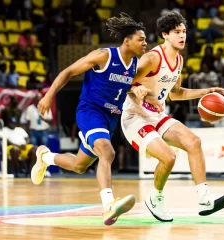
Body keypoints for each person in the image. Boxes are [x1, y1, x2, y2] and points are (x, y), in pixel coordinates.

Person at [30, 13, 149, 226]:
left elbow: (118, 85)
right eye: (141, 39)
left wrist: (136, 91)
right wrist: (49, 95)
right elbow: (68, 71)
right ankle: (108, 205)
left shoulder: (133, 65)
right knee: (108, 151)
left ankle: (45, 157)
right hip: (90, 112)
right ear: (127, 41)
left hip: (110, 118)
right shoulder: (104, 56)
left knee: (79, 166)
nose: (145, 43)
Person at [121, 12, 224, 222]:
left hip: (156, 115)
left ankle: (204, 198)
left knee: (194, 142)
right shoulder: (152, 58)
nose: (182, 36)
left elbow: (176, 93)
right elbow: (122, 81)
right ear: (165, 34)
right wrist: (136, 90)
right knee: (169, 157)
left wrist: (206, 91)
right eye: (176, 32)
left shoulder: (179, 60)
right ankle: (156, 198)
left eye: (184, 32)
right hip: (135, 117)